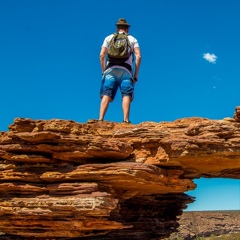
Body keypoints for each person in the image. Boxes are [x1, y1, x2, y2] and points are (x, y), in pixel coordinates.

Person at [99, 18, 141, 123]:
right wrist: (135, 75)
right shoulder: (132, 39)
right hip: (126, 71)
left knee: (106, 94)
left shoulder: (108, 38)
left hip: (110, 70)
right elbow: (138, 56)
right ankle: (126, 120)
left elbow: (102, 55)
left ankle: (100, 119)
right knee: (126, 94)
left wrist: (104, 71)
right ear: (127, 29)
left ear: (117, 28)